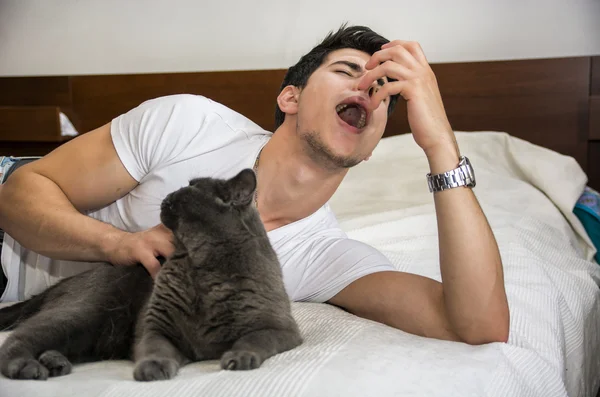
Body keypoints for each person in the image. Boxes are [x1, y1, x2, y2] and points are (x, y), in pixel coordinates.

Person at [0, 25, 509, 345]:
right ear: (290, 97)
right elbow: (21, 193)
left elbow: (478, 326)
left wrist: (441, 143)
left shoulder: (323, 256)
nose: (367, 90)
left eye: (383, 90)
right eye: (347, 70)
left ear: (373, 145)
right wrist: (120, 244)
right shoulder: (190, 123)